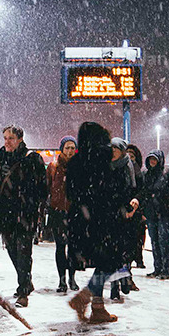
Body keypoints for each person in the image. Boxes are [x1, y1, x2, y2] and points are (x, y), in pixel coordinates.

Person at [66, 122, 136, 324]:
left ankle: (97, 307)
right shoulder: (103, 159)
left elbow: (71, 193)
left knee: (102, 260)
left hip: (81, 219)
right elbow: (113, 190)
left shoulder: (75, 162)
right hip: (104, 219)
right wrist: (124, 205)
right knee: (111, 260)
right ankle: (85, 297)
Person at [0, 125, 47, 307]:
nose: (7, 141)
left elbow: (42, 186)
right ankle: (26, 281)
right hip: (6, 213)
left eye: (11, 138)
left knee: (23, 251)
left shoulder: (32, 159)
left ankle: (23, 291)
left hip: (25, 213)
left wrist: (36, 206)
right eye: (5, 138)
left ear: (20, 139)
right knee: (13, 250)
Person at [138, 149, 169, 279]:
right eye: (151, 159)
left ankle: (167, 269)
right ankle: (157, 268)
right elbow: (144, 193)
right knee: (155, 241)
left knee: (164, 241)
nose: (152, 162)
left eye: (155, 159)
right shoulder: (146, 174)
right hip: (151, 214)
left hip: (165, 214)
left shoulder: (167, 174)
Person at [46, 136, 79, 293]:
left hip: (75, 214)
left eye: (73, 148)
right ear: (62, 149)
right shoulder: (53, 167)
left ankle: (72, 278)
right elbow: (47, 189)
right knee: (60, 247)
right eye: (67, 147)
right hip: (57, 213)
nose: (70, 151)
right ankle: (62, 280)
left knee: (73, 248)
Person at [108, 138, 137, 302]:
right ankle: (114, 288)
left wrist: (132, 205)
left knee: (123, 251)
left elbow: (134, 188)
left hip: (124, 213)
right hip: (108, 214)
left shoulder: (128, 165)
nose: (112, 151)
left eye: (115, 148)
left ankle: (124, 277)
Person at [126, 144, 147, 269]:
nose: (129, 157)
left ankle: (138, 257)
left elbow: (143, 191)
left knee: (137, 236)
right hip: (126, 208)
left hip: (137, 209)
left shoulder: (139, 172)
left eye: (132, 155)